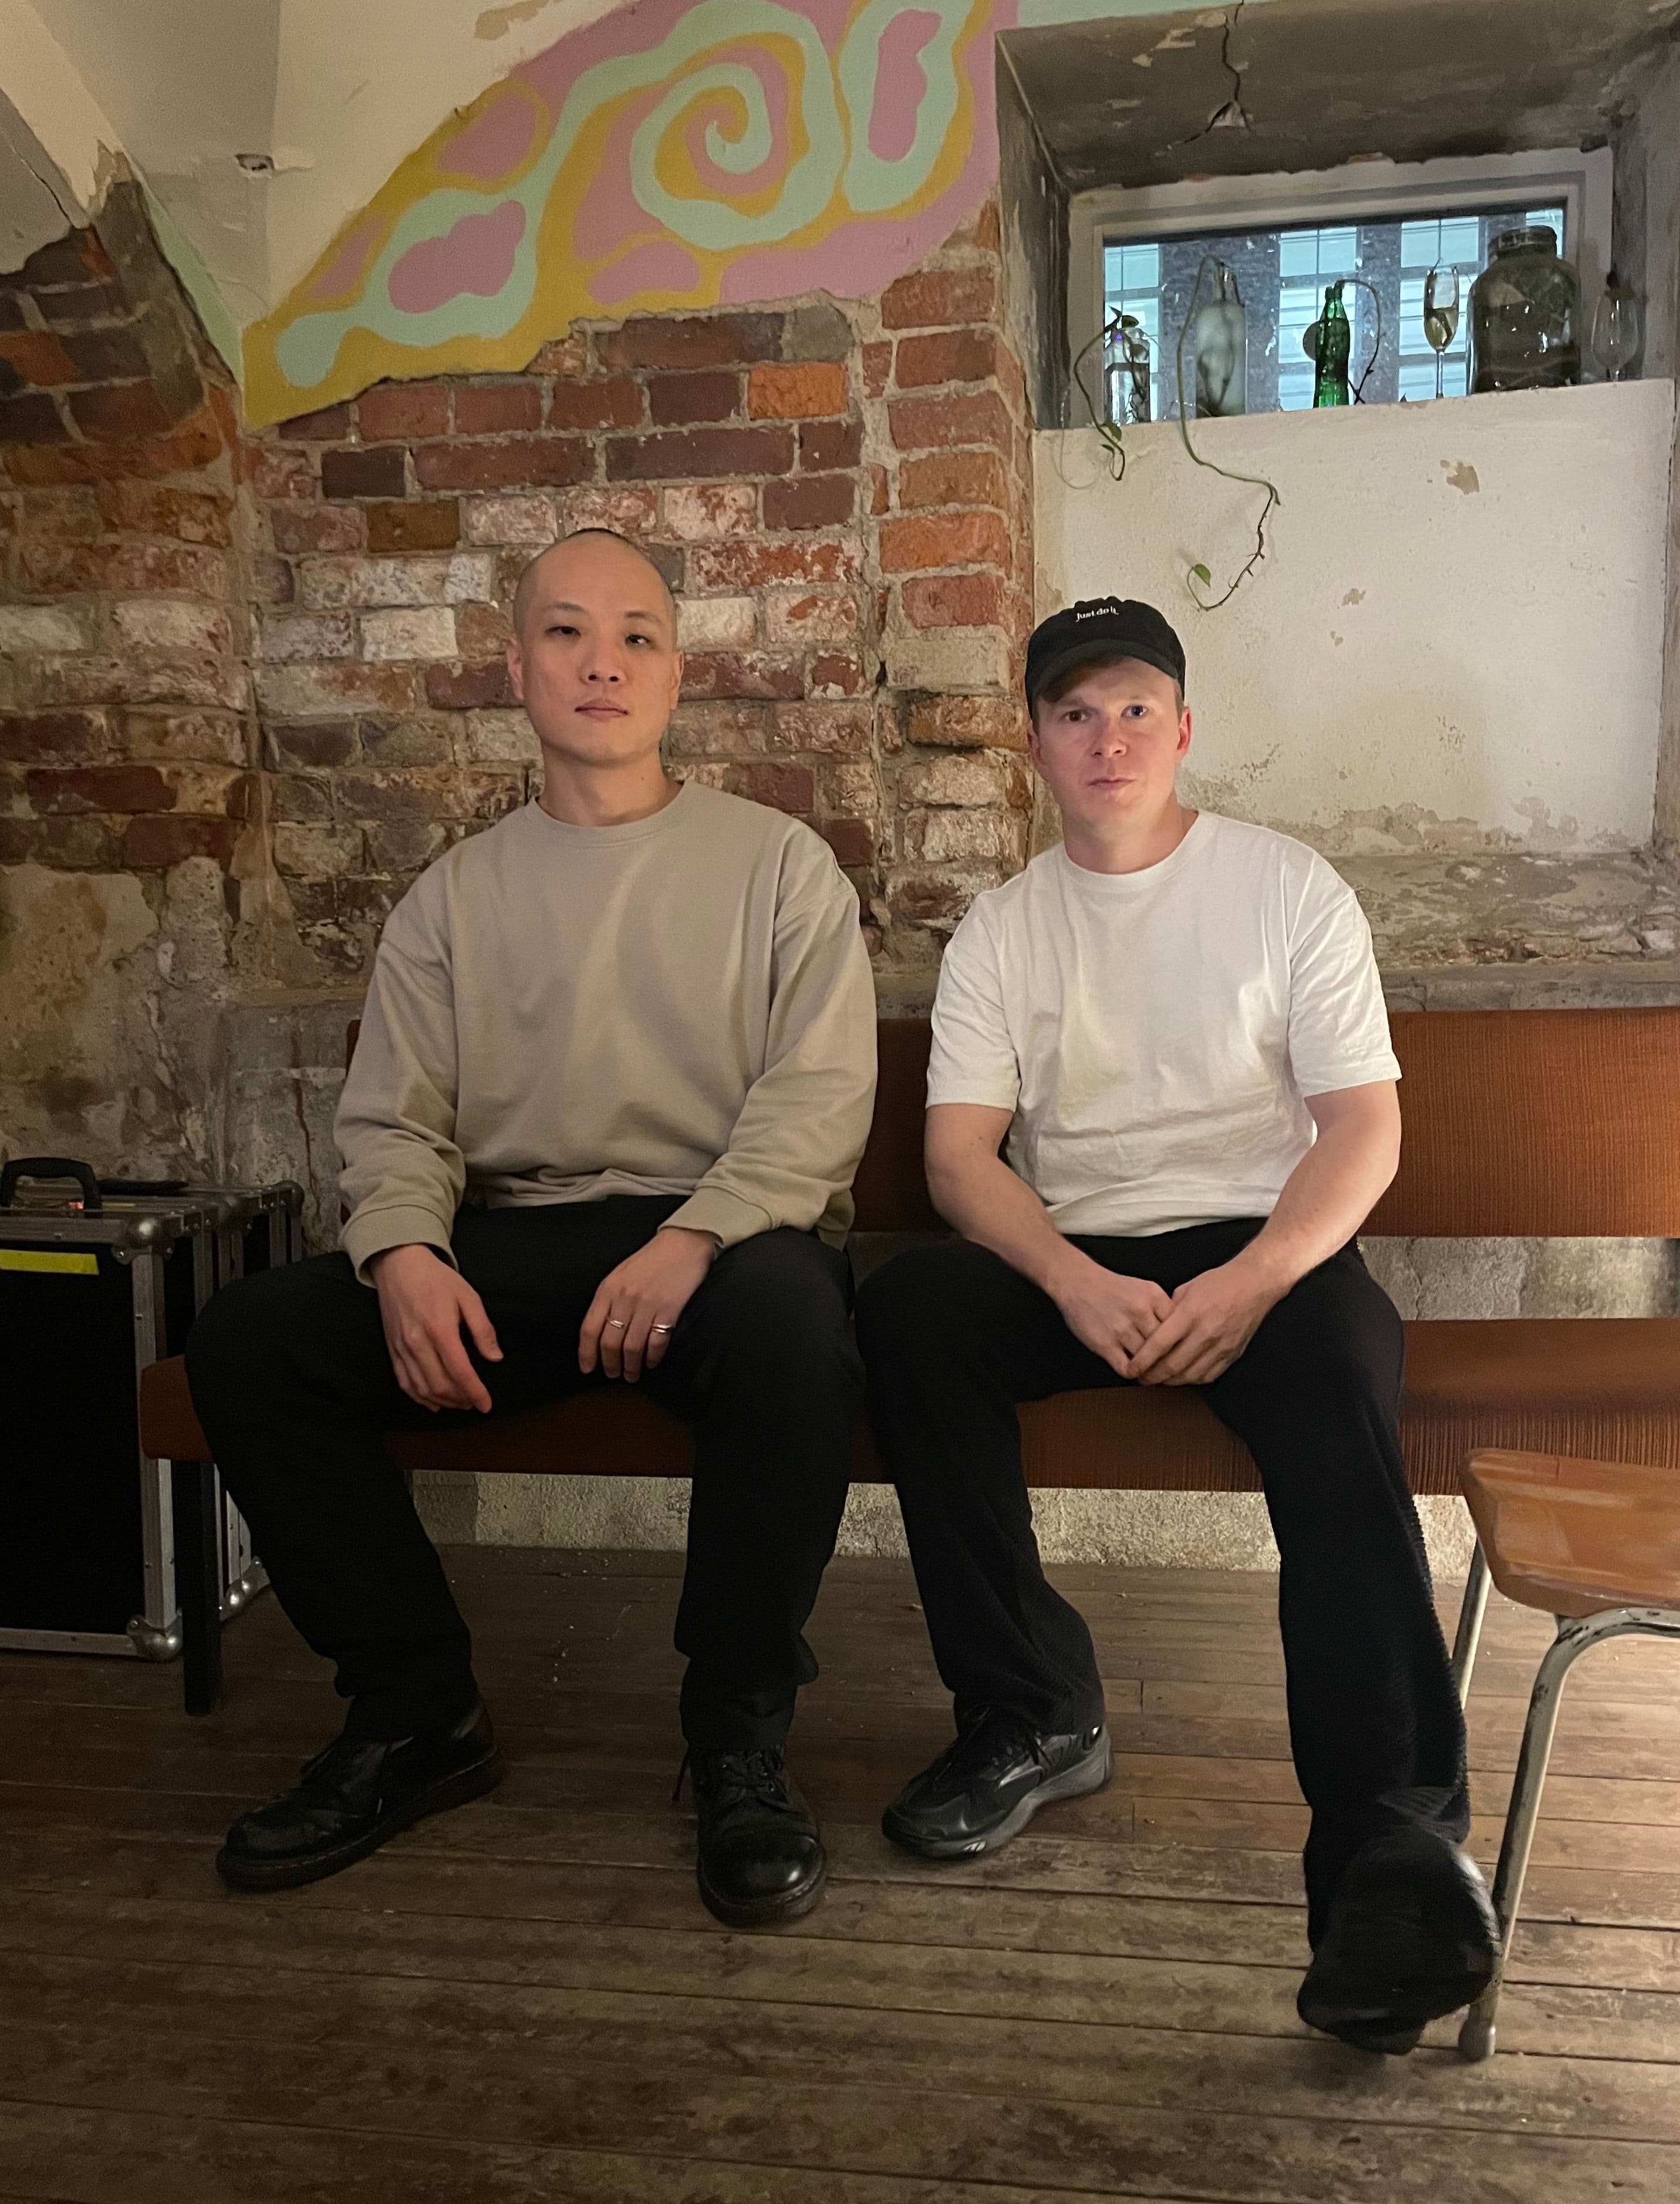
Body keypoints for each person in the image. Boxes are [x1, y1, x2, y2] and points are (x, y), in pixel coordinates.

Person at [185, 528, 877, 1930]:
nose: (601, 663)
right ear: (516, 667)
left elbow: (818, 1101)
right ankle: (416, 1712)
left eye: (636, 636)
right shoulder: (453, 898)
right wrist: (403, 1254)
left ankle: (736, 1737)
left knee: (799, 1323)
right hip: (520, 1247)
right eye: (566, 632)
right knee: (254, 1340)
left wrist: (697, 1237)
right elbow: (394, 1120)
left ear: (677, 672)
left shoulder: (778, 867)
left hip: (719, 1248)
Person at [855, 595, 1498, 2054]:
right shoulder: (1004, 929)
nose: (1110, 738)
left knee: (1343, 1380)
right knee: (911, 1315)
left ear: (1185, 728)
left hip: (1265, 1251)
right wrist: (1070, 1280)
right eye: (1076, 714)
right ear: (1035, 746)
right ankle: (1031, 1710)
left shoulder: (1285, 887)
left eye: (1137, 708)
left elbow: (1364, 1130)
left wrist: (1257, 1279)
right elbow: (960, 1160)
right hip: (1082, 1256)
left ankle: (1389, 1854)